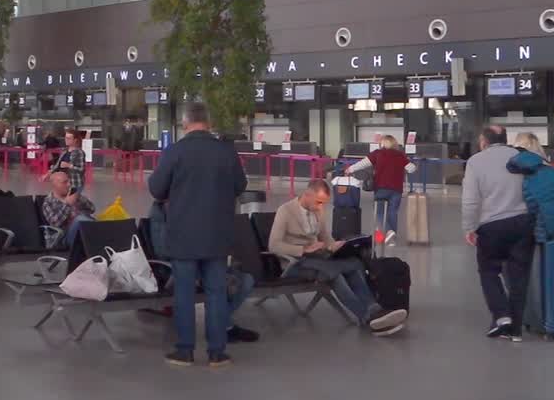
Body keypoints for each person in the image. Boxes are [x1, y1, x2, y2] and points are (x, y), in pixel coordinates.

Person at [148, 103, 257, 368]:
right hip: (217, 235)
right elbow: (240, 185)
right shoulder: (225, 152)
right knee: (216, 293)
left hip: (183, 234)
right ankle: (217, 352)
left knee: (184, 293)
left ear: (185, 124)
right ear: (208, 123)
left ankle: (185, 350)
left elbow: (156, 188)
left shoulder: (175, 152)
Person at [270, 180, 408, 336]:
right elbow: (274, 245)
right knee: (335, 275)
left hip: (318, 259)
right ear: (307, 195)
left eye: (324, 203)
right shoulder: (286, 211)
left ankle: (375, 310)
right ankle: (366, 317)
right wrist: (303, 249)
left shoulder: (317, 211)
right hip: (295, 262)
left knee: (355, 264)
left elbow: (325, 237)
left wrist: (333, 245)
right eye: (319, 202)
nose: (321, 206)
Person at [462, 125, 532, 342]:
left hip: (492, 225)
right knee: (519, 275)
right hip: (523, 222)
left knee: (489, 271)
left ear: (484, 141)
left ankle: (502, 316)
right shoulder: (520, 157)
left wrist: (469, 227)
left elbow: (471, 200)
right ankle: (517, 329)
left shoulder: (476, 161)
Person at [346, 135, 418, 245]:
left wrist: (349, 169)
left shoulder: (377, 153)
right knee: (393, 212)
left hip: (381, 188)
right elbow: (412, 168)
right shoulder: (400, 155)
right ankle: (391, 238)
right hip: (396, 189)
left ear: (383, 143)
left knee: (379, 212)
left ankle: (386, 232)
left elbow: (362, 164)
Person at [40, 170, 94, 247]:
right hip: (65, 236)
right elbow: (55, 223)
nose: (69, 185)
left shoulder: (72, 195)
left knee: (86, 220)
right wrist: (67, 204)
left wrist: (78, 197)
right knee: (79, 219)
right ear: (55, 185)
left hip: (83, 232)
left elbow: (92, 208)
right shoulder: (48, 202)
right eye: (64, 182)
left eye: (69, 182)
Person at [43, 129, 87, 194]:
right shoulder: (64, 151)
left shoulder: (79, 152)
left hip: (75, 184)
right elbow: (57, 166)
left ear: (75, 140)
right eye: (66, 138)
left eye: (69, 138)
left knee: (70, 202)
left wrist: (69, 165)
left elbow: (81, 169)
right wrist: (47, 174)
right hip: (63, 184)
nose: (66, 140)